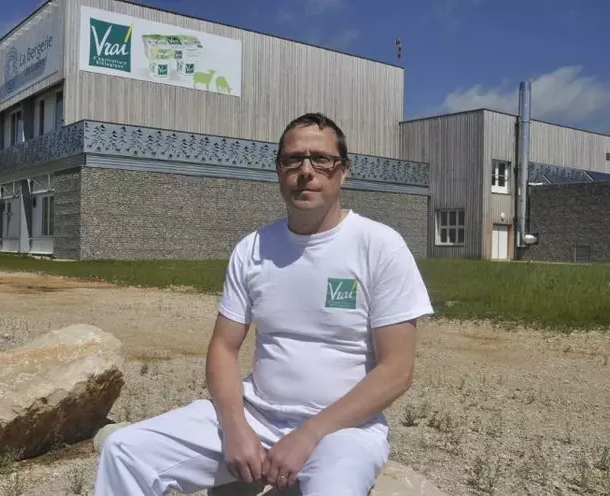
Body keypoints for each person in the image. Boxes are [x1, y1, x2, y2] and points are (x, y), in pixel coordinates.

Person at [94, 112, 434, 495]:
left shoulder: (379, 246)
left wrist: (309, 435)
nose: (306, 170)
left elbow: (397, 370)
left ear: (344, 172)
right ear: (278, 171)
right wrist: (236, 429)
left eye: (321, 159)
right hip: (257, 416)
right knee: (124, 451)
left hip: (343, 431)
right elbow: (223, 347)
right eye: (293, 159)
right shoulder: (253, 249)